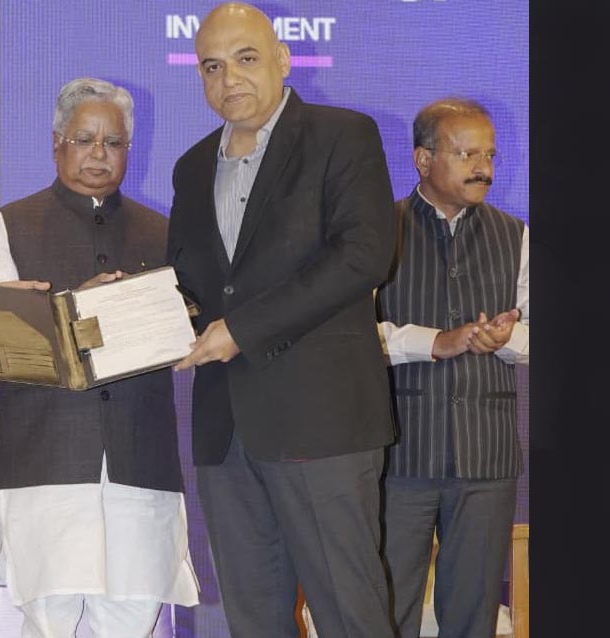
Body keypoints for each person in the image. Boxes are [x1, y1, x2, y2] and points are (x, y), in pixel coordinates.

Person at [168, 3, 397, 637]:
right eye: (212, 66)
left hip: (320, 420)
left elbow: (363, 255)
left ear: (283, 59)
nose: (229, 78)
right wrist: (136, 304)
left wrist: (241, 330)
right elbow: (191, 284)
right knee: (253, 620)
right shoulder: (191, 166)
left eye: (246, 58)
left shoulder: (342, 136)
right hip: (225, 429)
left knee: (349, 615)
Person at [0, 77, 199, 638]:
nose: (99, 153)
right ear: (57, 143)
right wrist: (81, 309)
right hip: (44, 460)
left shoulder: (164, 232)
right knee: (48, 622)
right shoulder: (12, 223)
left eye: (113, 142)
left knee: (132, 619)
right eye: (85, 139)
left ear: (129, 149)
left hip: (140, 464)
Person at [376, 97, 529, 638]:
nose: (483, 168)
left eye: (489, 155)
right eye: (467, 155)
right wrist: (434, 342)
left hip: (486, 458)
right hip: (398, 452)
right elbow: (350, 335)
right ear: (423, 160)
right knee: (385, 611)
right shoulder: (377, 230)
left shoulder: (516, 234)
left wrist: (506, 340)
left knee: (474, 615)